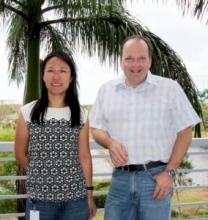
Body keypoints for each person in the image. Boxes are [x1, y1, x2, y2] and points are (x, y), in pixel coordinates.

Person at [89, 35, 200, 220]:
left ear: (150, 61)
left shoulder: (170, 88)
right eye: (129, 58)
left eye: (141, 58)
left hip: (156, 179)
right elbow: (96, 129)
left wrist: (169, 172)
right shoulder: (106, 90)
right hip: (120, 180)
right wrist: (110, 142)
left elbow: (185, 133)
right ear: (121, 61)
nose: (135, 64)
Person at [15, 50, 96, 220]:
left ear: (71, 77)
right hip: (39, 200)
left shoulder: (81, 114)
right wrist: (42, 172)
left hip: (76, 200)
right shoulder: (27, 112)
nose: (56, 77)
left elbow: (84, 156)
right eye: (50, 70)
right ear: (43, 76)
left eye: (63, 71)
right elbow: (20, 154)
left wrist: (89, 195)